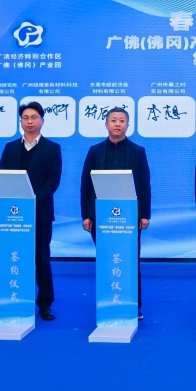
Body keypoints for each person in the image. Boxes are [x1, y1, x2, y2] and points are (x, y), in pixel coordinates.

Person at [79, 107, 151, 319]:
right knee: (106, 259)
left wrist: (144, 214)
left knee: (130, 260)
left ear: (128, 125)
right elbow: (86, 185)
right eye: (113, 120)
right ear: (106, 124)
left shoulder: (138, 151)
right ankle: (108, 302)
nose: (117, 124)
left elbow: (144, 185)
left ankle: (133, 306)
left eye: (121, 120)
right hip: (100, 217)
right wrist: (86, 215)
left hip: (130, 217)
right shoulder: (95, 151)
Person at [0, 101, 63, 321]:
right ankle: (15, 299)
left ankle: (45, 304)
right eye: (25, 117)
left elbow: (53, 181)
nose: (29, 121)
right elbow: (2, 176)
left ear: (42, 121)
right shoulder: (10, 148)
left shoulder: (52, 148)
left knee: (41, 259)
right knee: (15, 256)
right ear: (20, 121)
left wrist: (32, 200)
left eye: (34, 117)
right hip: (13, 214)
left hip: (40, 214)